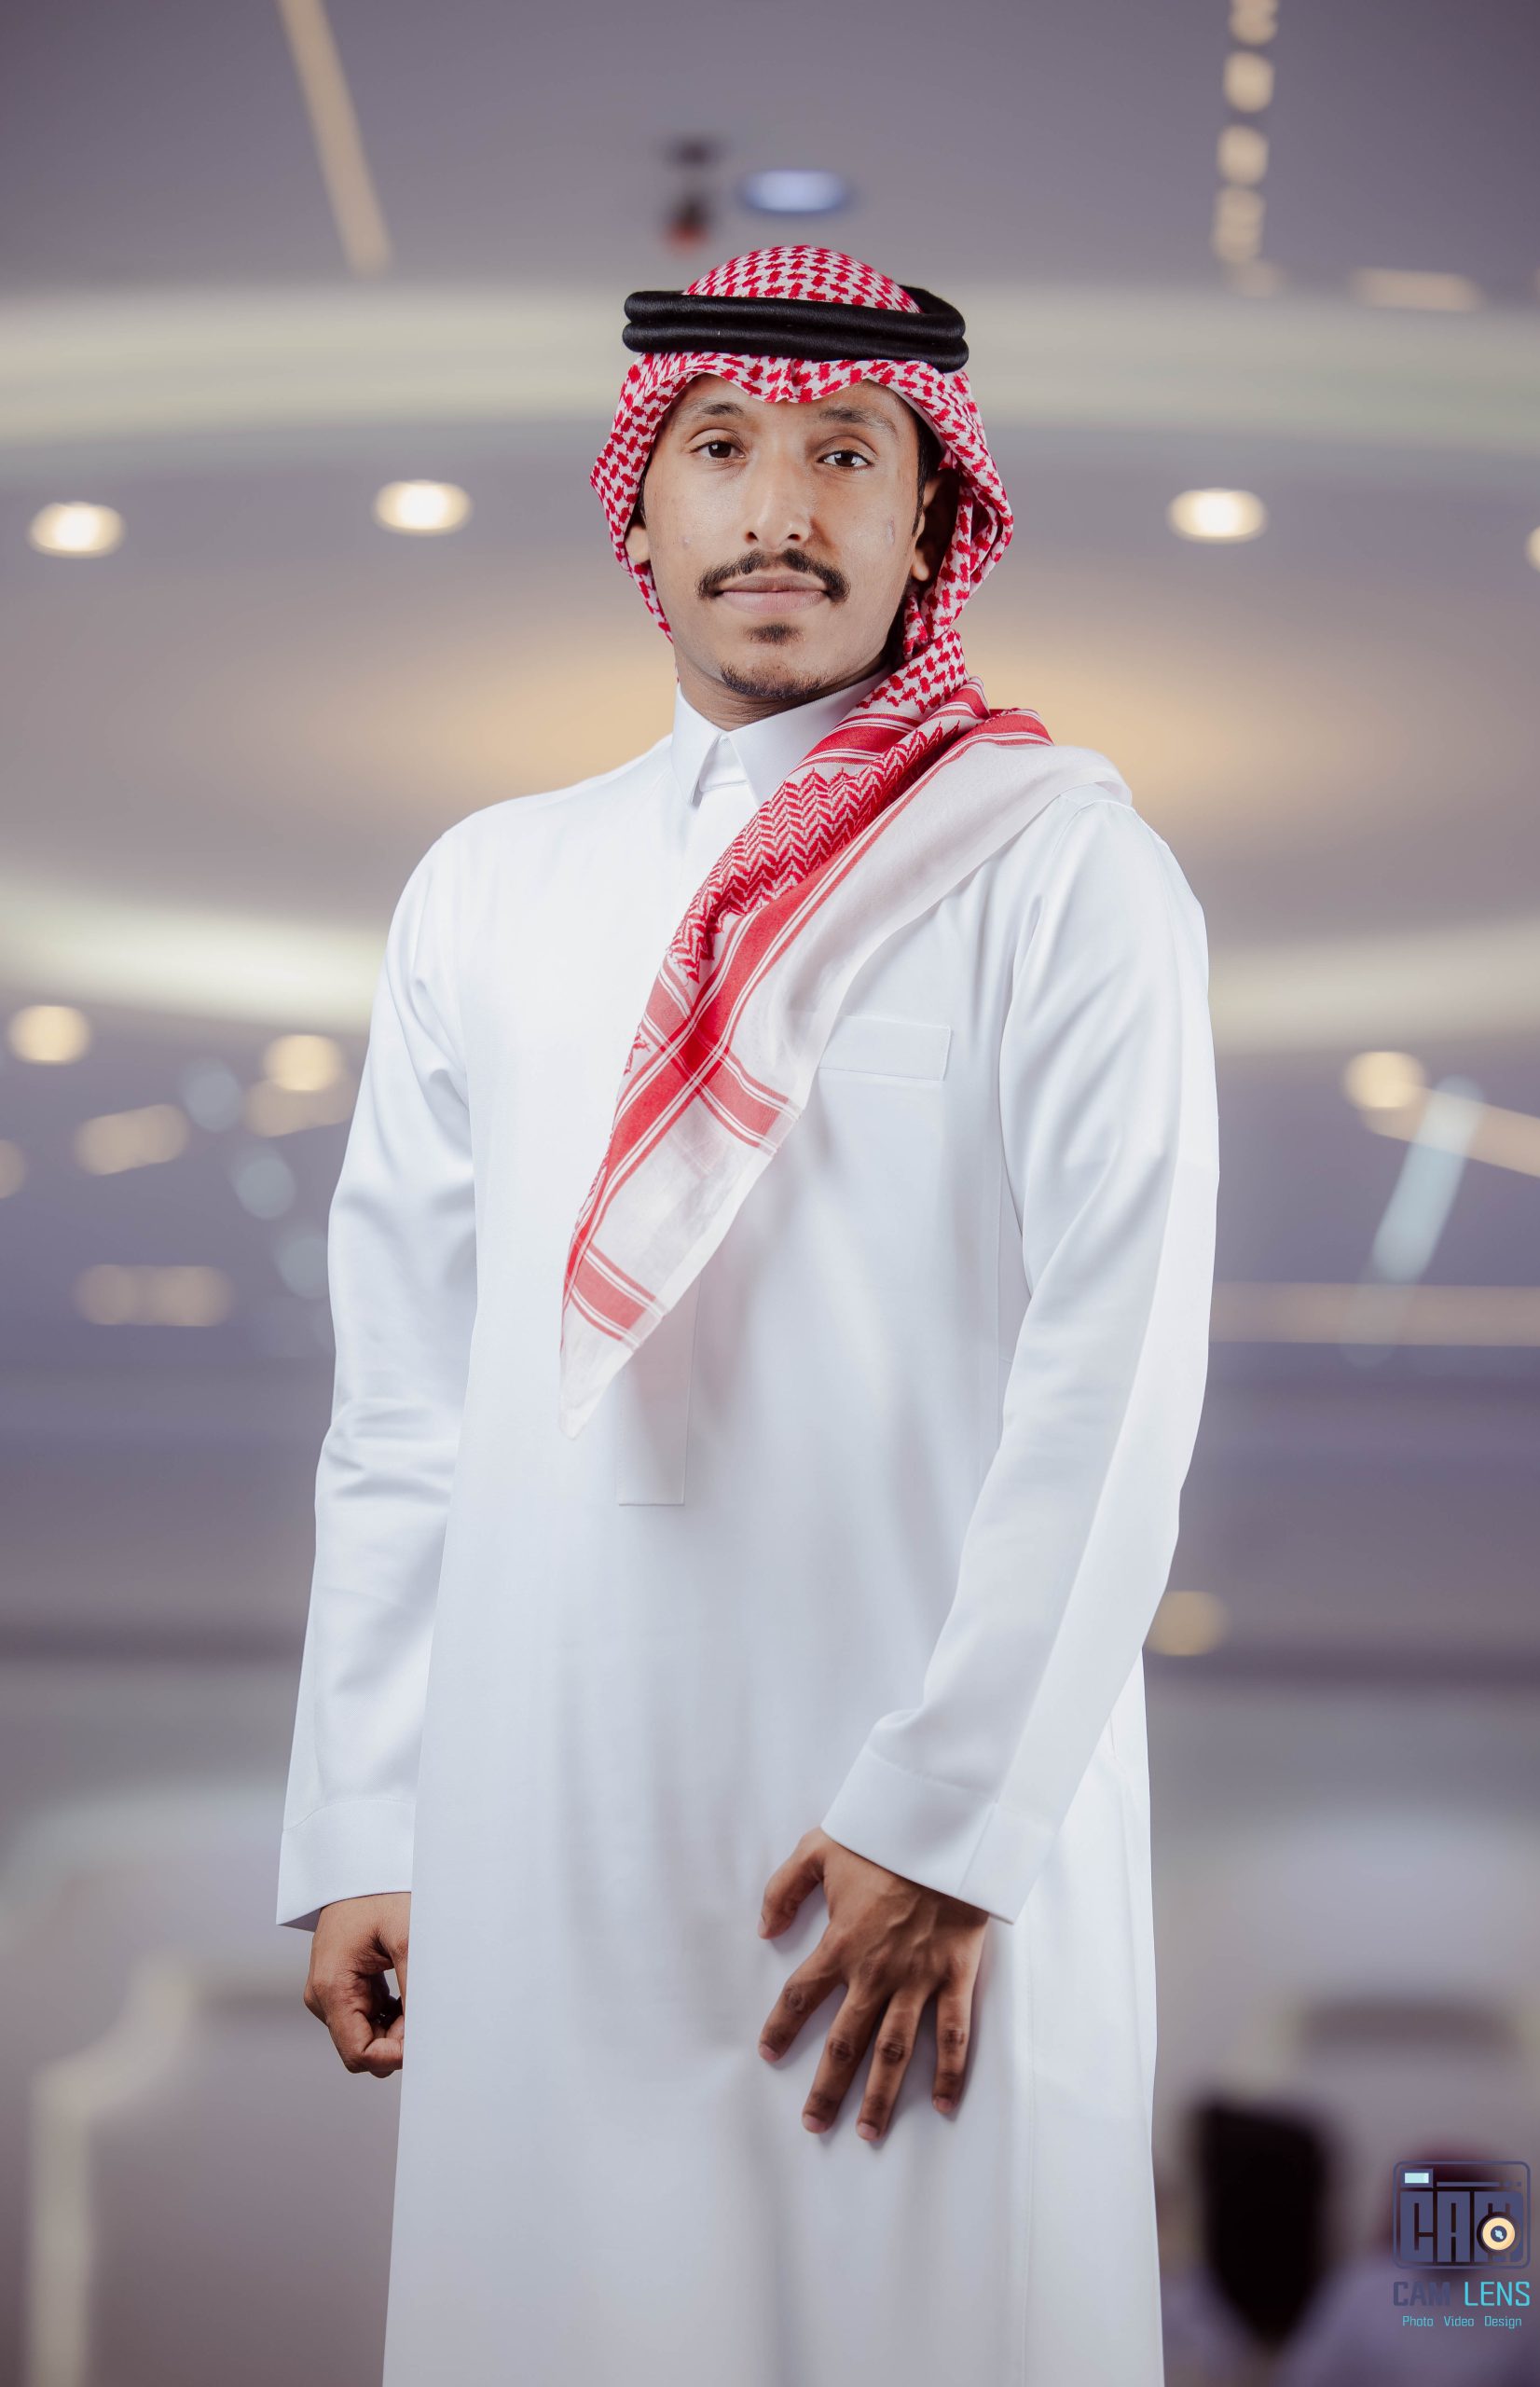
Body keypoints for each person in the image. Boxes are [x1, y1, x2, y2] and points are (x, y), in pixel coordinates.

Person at [277, 242, 1220, 2387]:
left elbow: (1110, 1366)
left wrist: (952, 1815)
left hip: (901, 1829)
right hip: (540, 1808)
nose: (777, 508)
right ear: (638, 503)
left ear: (933, 512)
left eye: (843, 454)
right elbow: (404, 1396)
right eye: (720, 448)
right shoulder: (488, 887)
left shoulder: (1055, 864)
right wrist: (370, 1813)